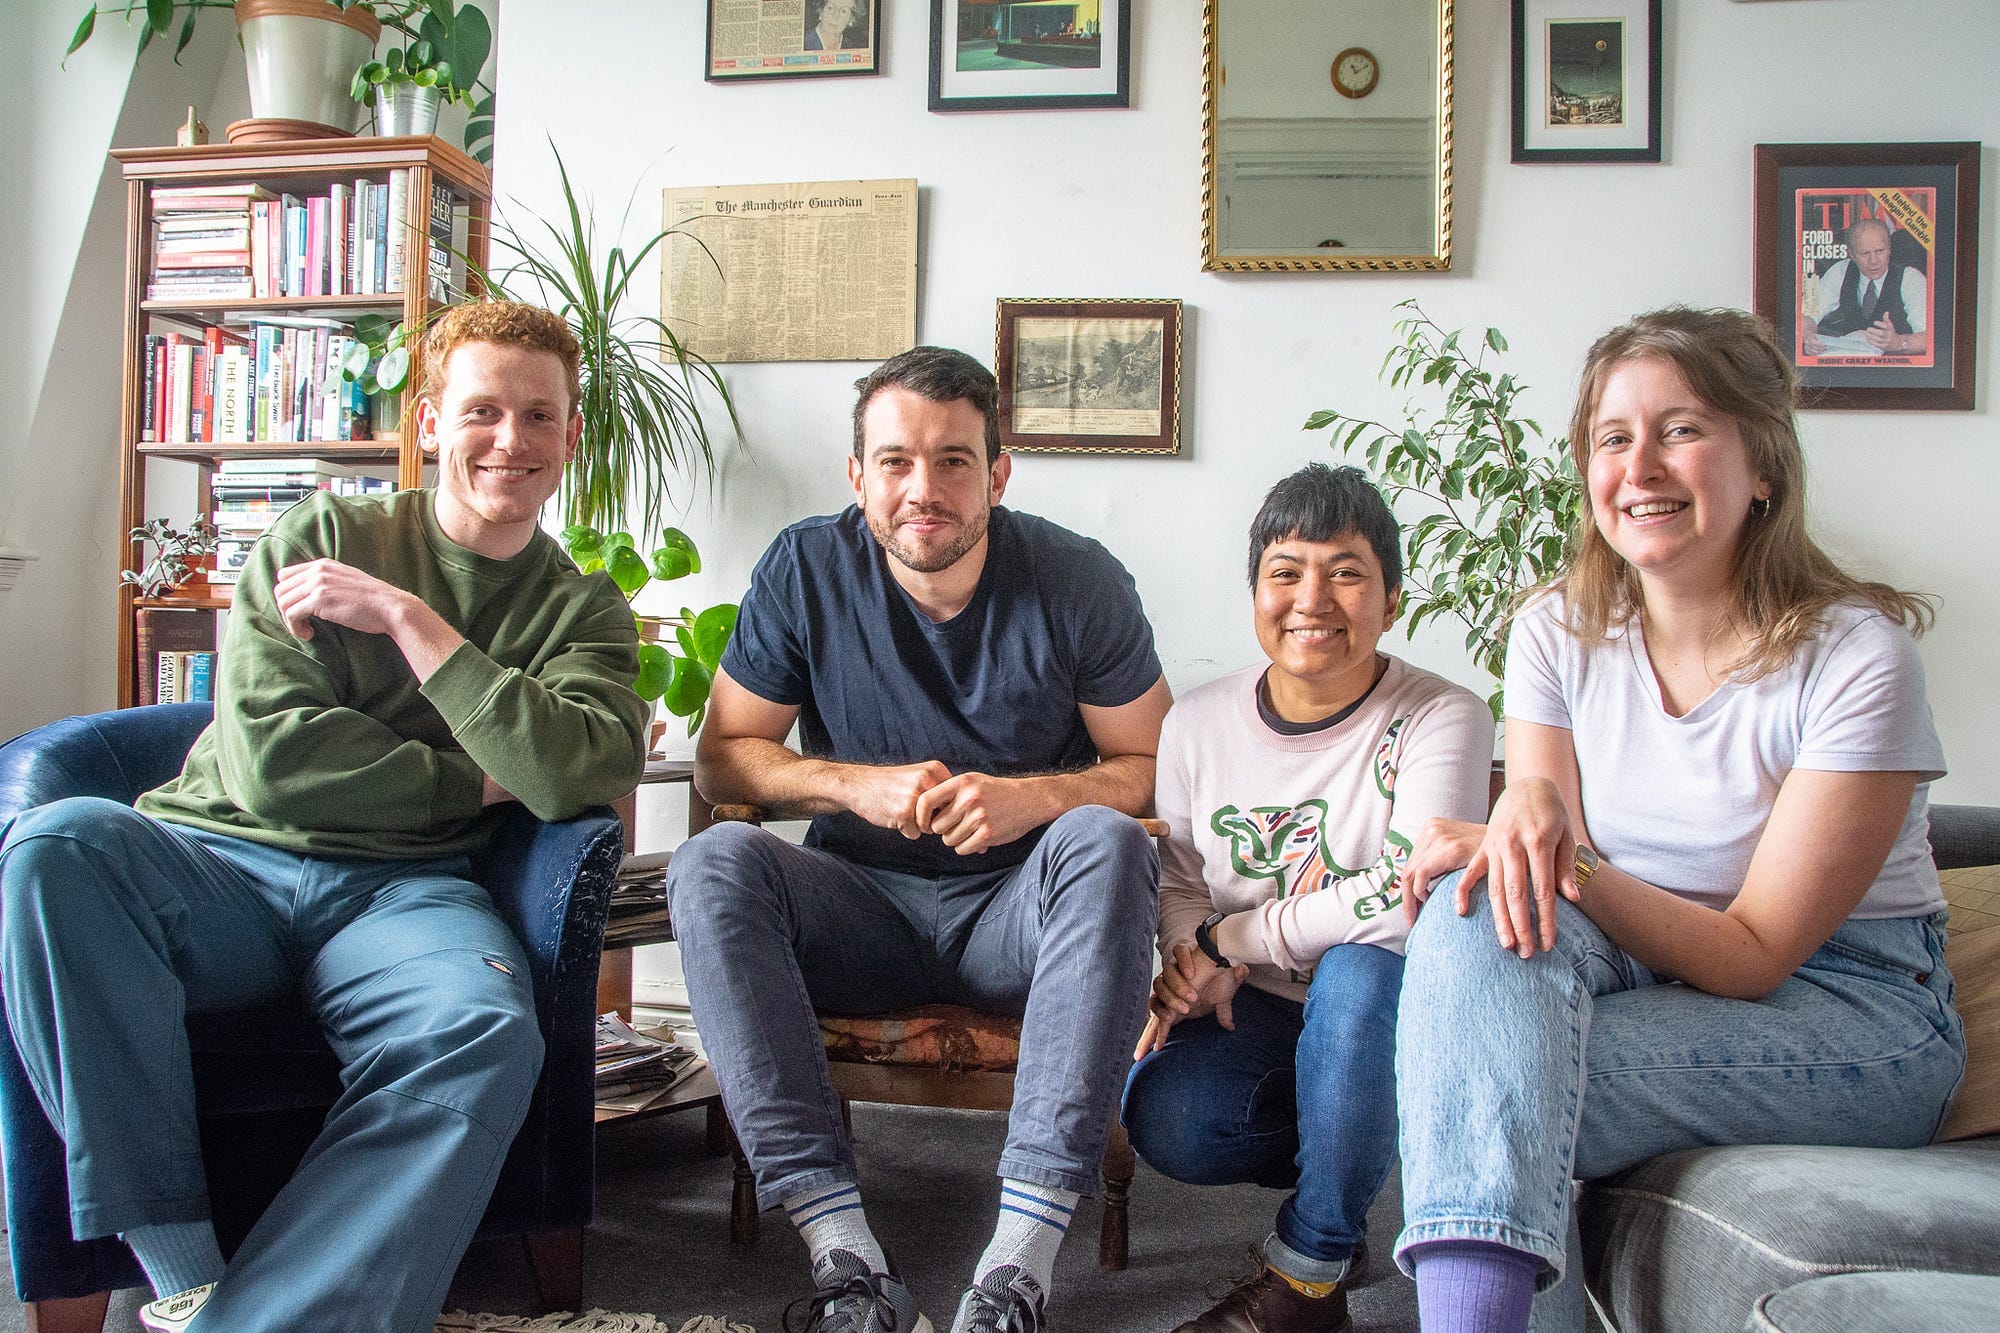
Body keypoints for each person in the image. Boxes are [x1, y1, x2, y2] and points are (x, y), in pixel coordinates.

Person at [0, 301, 651, 1333]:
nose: (511, 439)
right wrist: (486, 773)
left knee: (482, 1032)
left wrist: (408, 618)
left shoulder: (584, 610)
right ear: (430, 422)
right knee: (53, 844)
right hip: (215, 865)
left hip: (407, 893)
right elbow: (277, 767)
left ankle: (256, 1322)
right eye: (482, 410)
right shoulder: (323, 537)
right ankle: (184, 1273)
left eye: (539, 415)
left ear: (570, 434)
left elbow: (582, 768)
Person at [1391, 307, 1964, 1333]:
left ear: (1762, 466)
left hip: (1847, 1004)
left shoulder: (1856, 657)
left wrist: (1563, 853)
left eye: (1681, 429)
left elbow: (1752, 954)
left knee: (1490, 1077)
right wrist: (1524, 814)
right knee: (1477, 919)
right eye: (1612, 438)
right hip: (1631, 961)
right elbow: (1539, 878)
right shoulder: (1553, 628)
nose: (1640, 467)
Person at [667, 346, 1171, 1333]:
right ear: (858, 475)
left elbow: (1155, 765)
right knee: (713, 861)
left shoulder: (1077, 576)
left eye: (952, 460)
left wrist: (1031, 801)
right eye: (895, 461)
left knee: (1108, 842)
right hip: (860, 910)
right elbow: (723, 760)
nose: (922, 489)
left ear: (998, 474)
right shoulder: (804, 567)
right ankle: (845, 1260)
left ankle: (1015, 1271)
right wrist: (848, 782)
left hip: (1021, 918)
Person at [1124, 464, 1492, 1333]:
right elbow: (1180, 875)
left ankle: (1310, 1271)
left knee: (1359, 971)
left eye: (1346, 572)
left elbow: (1406, 896)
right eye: (1285, 571)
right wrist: (1196, 957)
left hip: (1385, 1006)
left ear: (1392, 599)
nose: (1312, 599)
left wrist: (1232, 940)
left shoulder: (1444, 715)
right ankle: (1349, 1152)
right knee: (1167, 1116)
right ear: (1256, 592)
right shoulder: (1196, 722)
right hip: (1254, 1002)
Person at [1802, 217, 1929, 357]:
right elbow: (1806, 314)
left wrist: (1899, 343)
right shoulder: (1840, 271)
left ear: (1889, 249)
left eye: (1880, 251)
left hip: (1898, 366)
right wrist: (1809, 338)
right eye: (1864, 253)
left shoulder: (1911, 278)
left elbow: (1930, 338)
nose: (1873, 261)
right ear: (1852, 254)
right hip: (1850, 363)